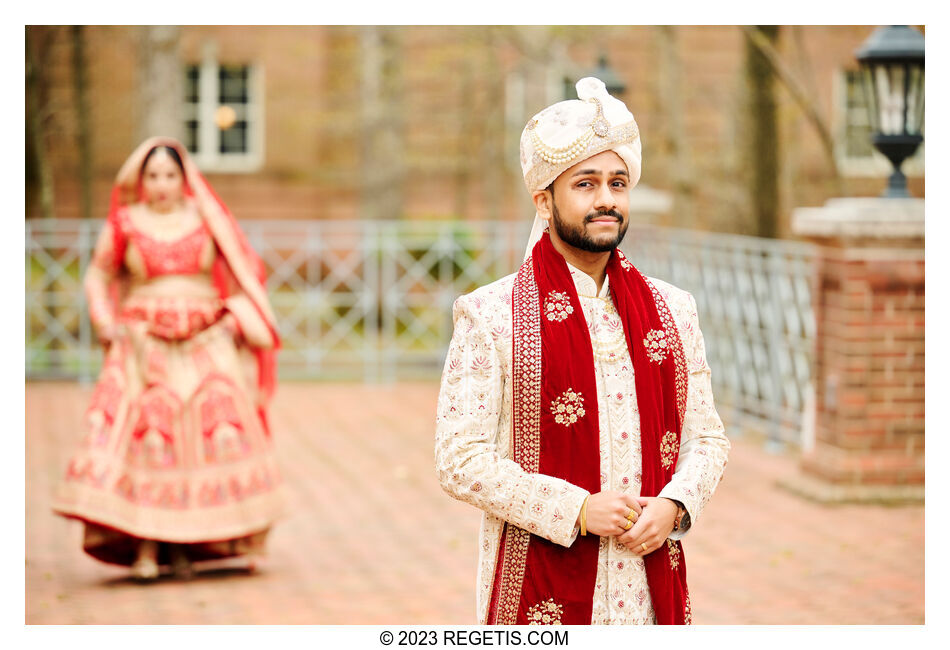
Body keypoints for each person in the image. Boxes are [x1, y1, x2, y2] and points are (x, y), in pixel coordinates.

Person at [435, 78, 729, 624]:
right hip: (539, 583)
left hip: (649, 587)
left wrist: (676, 504)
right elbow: (458, 459)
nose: (606, 200)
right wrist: (575, 510)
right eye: (586, 184)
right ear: (544, 200)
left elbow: (707, 437)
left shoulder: (673, 309)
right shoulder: (492, 314)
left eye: (618, 183)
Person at [52, 137, 285, 581]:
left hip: (204, 344)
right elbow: (98, 275)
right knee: (149, 441)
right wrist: (106, 325)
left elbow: (243, 273)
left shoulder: (207, 220)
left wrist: (235, 321)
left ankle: (190, 548)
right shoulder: (125, 222)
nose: (161, 185)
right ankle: (146, 547)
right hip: (143, 347)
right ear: (141, 181)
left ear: (185, 179)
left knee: (206, 441)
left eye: (169, 176)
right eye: (153, 176)